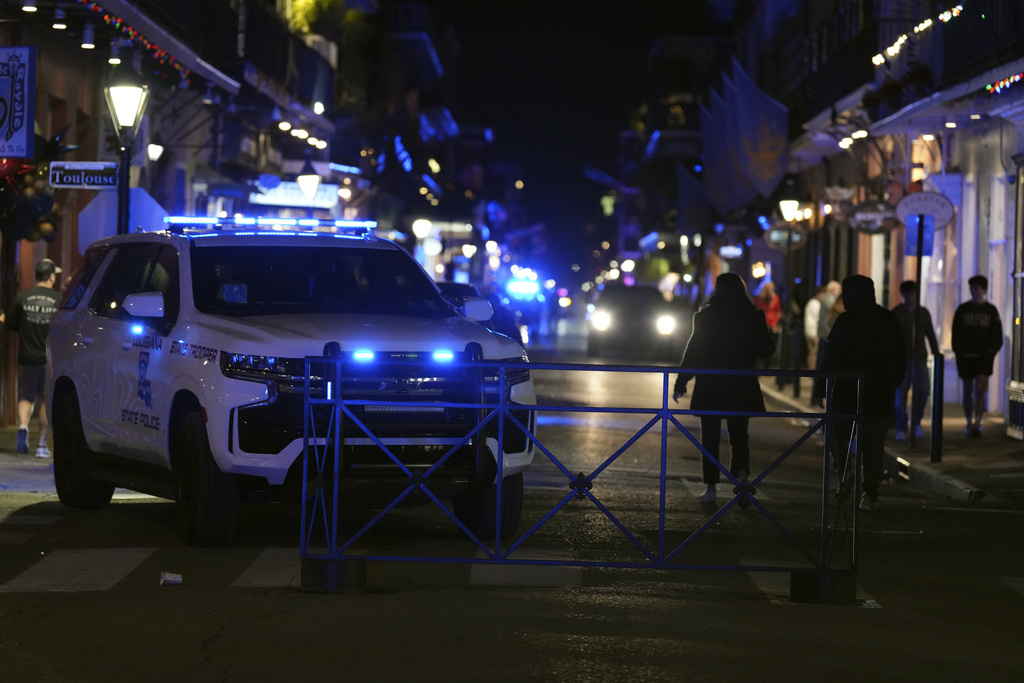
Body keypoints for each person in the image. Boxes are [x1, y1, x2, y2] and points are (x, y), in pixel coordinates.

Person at [673, 272, 776, 504]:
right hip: (741, 382)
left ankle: (710, 487)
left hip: (711, 382)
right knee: (739, 434)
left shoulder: (706, 316)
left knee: (709, 436)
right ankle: (741, 481)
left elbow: (694, 352)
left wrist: (682, 382)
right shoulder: (753, 316)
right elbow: (766, 350)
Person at [814, 275, 905, 512]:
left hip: (847, 392)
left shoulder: (846, 321)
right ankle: (869, 492)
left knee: (836, 433)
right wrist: (892, 383)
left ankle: (845, 472)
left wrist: (820, 386)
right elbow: (900, 357)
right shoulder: (888, 319)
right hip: (879, 393)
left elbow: (831, 357)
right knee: (873, 445)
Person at [6, 258, 63, 457]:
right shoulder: (58, 300)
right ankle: (41, 445)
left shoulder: (22, 297)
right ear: (51, 277)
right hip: (49, 359)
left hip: (27, 356)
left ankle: (23, 425)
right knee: (45, 400)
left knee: (26, 396)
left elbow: (11, 324)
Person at [952, 275, 1003, 438]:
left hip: (983, 356)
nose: (975, 291)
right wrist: (958, 351)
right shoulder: (963, 309)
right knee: (968, 389)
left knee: (980, 388)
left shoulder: (991, 310)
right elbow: (956, 332)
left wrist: (991, 352)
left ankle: (978, 423)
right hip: (966, 355)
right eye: (972, 288)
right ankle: (969, 421)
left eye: (978, 288)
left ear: (984, 290)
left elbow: (997, 334)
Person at [891, 280, 940, 441]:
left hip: (919, 358)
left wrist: (935, 352)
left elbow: (930, 334)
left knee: (924, 391)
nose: (911, 297)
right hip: (902, 360)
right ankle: (902, 426)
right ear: (903, 295)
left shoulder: (923, 313)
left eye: (913, 294)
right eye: (908, 294)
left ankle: (916, 421)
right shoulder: (897, 313)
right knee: (900, 397)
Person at [815, 280, 842, 369]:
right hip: (827, 333)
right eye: (838, 289)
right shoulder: (829, 299)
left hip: (825, 333)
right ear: (832, 290)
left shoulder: (826, 299)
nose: (840, 292)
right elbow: (837, 310)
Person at [803, 285, 826, 370]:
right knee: (814, 353)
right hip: (813, 332)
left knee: (813, 353)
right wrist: (814, 334)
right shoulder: (815, 304)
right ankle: (812, 371)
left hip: (811, 332)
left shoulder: (813, 303)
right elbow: (816, 320)